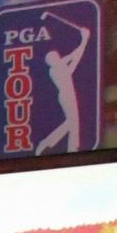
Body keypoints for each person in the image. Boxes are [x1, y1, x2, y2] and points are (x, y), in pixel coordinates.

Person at [34, 12, 92, 156]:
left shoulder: (58, 65)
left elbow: (72, 55)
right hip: (66, 95)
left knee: (74, 122)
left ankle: (72, 148)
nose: (59, 57)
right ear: (52, 61)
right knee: (71, 122)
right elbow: (75, 61)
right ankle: (47, 142)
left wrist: (84, 39)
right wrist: (84, 40)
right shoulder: (56, 70)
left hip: (68, 94)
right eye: (56, 56)